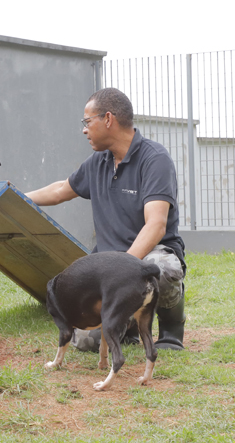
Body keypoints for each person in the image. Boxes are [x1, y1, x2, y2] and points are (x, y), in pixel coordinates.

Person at [26, 88, 186, 351]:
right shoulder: (97, 162)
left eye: (87, 122)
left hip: (146, 257)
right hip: (109, 265)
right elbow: (59, 190)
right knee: (86, 343)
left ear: (108, 119)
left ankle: (171, 333)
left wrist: (122, 272)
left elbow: (156, 225)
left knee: (162, 269)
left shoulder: (155, 159)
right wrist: (14, 196)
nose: (84, 130)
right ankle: (129, 328)